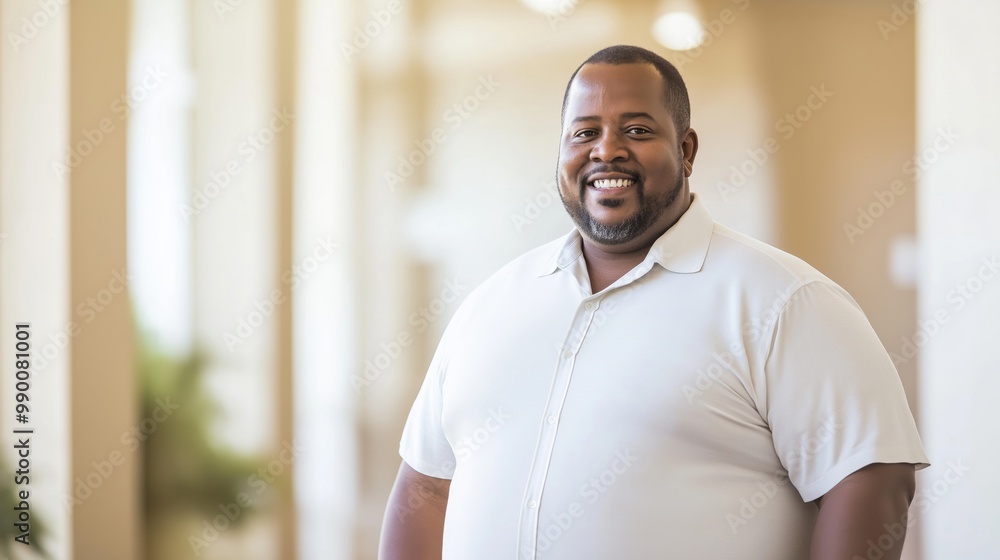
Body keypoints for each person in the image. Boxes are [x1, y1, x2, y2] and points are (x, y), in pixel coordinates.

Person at [378, 44, 929, 560]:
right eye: (584, 131)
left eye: (636, 129)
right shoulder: (490, 304)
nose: (606, 149)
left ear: (686, 150)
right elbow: (426, 486)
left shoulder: (784, 301)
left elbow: (870, 480)